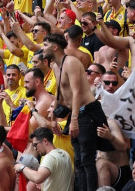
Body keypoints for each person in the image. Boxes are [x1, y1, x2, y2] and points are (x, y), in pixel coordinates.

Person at [43, 33, 114, 191]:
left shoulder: (71, 62)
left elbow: (77, 93)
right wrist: (53, 117)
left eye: (45, 45)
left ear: (55, 47)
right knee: (79, 161)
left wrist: (74, 120)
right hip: (76, 112)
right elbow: (60, 93)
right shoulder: (55, 65)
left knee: (87, 160)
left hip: (87, 112)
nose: (42, 48)